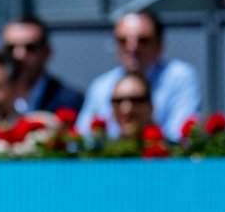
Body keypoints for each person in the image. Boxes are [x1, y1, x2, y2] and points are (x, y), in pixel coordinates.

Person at [76, 10, 201, 140]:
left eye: (143, 40)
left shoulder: (180, 77)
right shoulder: (100, 86)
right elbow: (84, 137)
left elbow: (179, 136)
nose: (132, 47)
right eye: (123, 41)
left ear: (160, 44)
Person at [2, 15, 84, 114]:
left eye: (30, 47)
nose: (19, 55)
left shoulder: (68, 100)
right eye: (10, 48)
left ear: (47, 51)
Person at [109, 71, 155, 139]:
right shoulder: (102, 148)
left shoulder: (171, 148)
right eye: (118, 101)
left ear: (150, 106)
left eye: (135, 100)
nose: (126, 109)